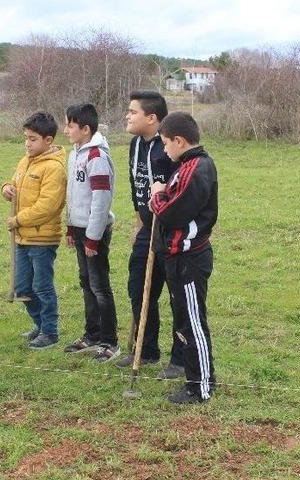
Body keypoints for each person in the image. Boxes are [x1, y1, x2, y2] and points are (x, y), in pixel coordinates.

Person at [115, 91, 185, 378]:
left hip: (170, 229)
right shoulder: (135, 145)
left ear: (152, 118)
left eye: (133, 112)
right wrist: (138, 224)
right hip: (147, 227)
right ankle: (147, 350)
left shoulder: (168, 146)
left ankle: (180, 359)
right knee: (139, 288)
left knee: (175, 294)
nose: (127, 116)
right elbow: (137, 188)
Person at [149, 112, 218, 404]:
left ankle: (201, 386)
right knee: (182, 322)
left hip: (190, 259)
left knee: (193, 323)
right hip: (176, 257)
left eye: (166, 144)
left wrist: (157, 195)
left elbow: (172, 213)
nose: (164, 150)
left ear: (179, 141)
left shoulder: (197, 169)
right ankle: (193, 379)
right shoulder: (184, 166)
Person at [1, 112, 68, 350]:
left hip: (42, 238)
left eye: (33, 139)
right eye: (26, 138)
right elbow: (14, 182)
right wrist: (6, 188)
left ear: (48, 140)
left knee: (42, 286)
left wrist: (18, 220)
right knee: (23, 287)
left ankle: (50, 332)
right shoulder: (25, 161)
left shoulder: (54, 168)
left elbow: (47, 207)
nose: (27, 144)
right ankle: (39, 325)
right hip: (22, 237)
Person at [62, 104, 120, 362]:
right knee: (86, 282)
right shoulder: (75, 153)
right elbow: (74, 195)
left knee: (99, 286)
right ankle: (92, 334)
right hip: (80, 229)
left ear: (86, 129)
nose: (66, 130)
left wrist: (93, 237)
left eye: (70, 126)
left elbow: (100, 199)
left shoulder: (96, 156)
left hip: (95, 233)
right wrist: (71, 228)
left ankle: (110, 341)